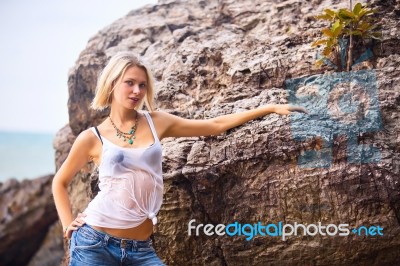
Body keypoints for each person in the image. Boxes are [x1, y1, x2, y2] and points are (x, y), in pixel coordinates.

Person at [52, 51, 308, 266]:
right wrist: (67, 226)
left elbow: (214, 125)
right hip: (94, 243)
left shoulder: (157, 122)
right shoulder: (91, 137)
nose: (137, 90)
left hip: (141, 249)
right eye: (129, 83)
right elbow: (60, 183)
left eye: (142, 85)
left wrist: (270, 108)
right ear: (112, 84)